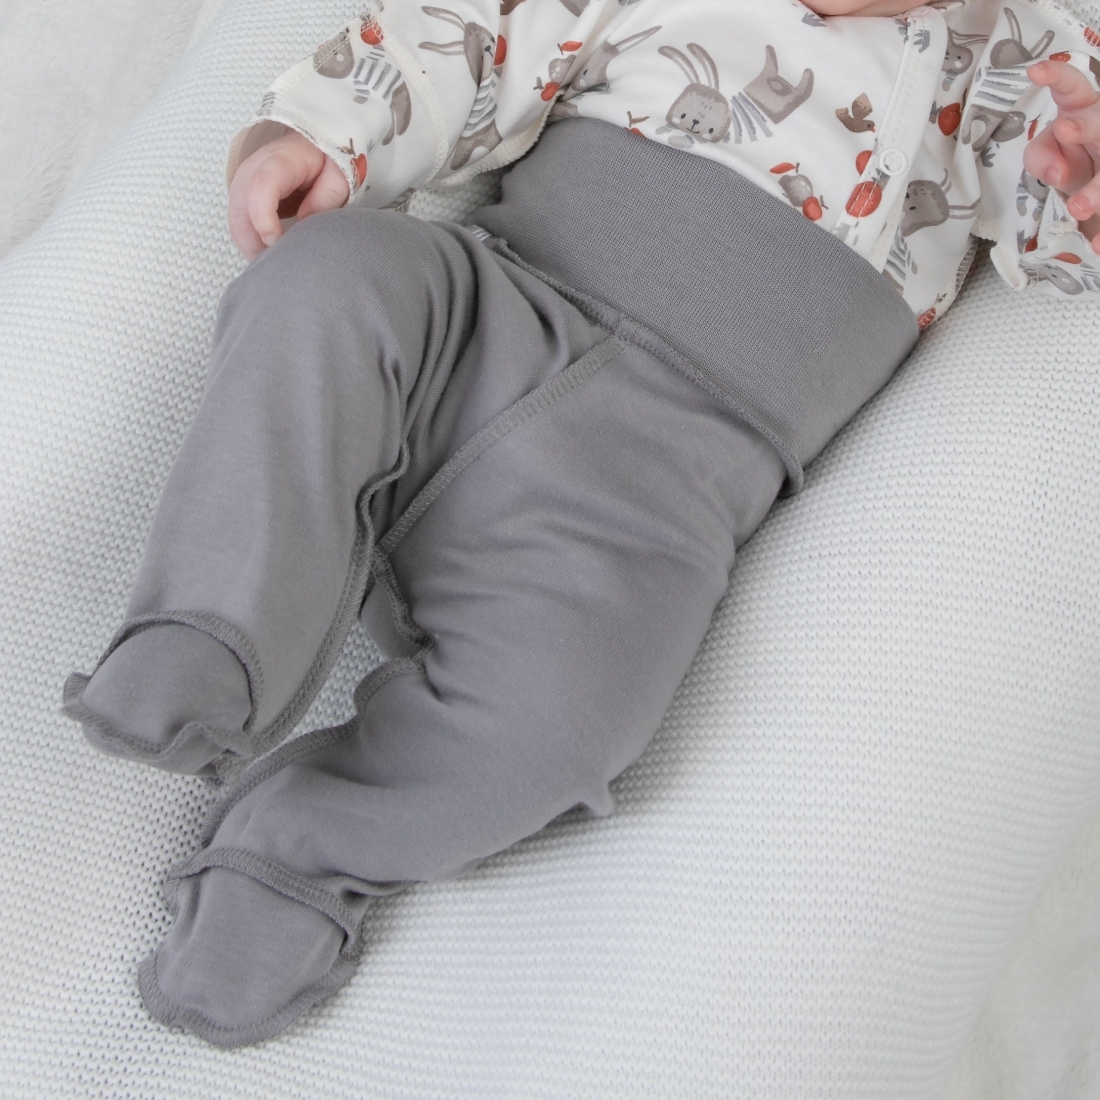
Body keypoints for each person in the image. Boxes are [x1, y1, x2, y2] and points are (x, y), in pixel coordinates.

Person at [63, 0, 1100, 1047]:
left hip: (648, 498)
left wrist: (1085, 178)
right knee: (329, 279)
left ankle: (298, 851)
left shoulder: (1025, 53)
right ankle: (213, 623)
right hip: (486, 316)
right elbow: (471, 37)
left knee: (567, 723)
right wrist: (313, 139)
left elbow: (1059, 223)